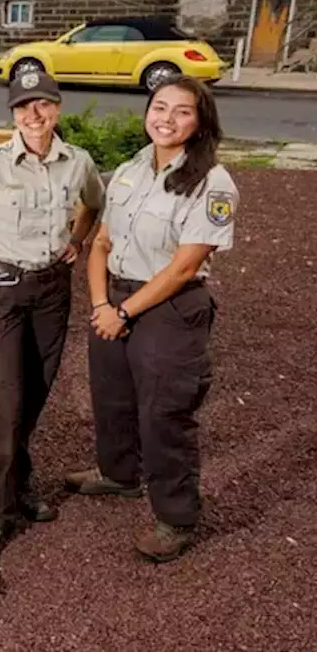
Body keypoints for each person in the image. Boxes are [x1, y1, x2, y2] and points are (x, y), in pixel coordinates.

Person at [67, 75, 237, 563]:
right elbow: (101, 242)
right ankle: (118, 474)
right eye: (159, 107)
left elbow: (184, 266)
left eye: (182, 111)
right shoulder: (129, 169)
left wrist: (123, 312)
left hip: (169, 306)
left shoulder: (212, 182)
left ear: (200, 121)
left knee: (164, 413)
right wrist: (101, 304)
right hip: (115, 297)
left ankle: (176, 516)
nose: (166, 118)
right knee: (112, 395)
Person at [0, 69, 105, 554]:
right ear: (13, 114)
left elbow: (94, 205)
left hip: (51, 292)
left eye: (42, 105)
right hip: (0, 289)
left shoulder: (77, 163)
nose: (33, 115)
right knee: (5, 405)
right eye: (23, 107)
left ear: (57, 107)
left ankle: (18, 484)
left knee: (34, 396)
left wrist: (77, 240)